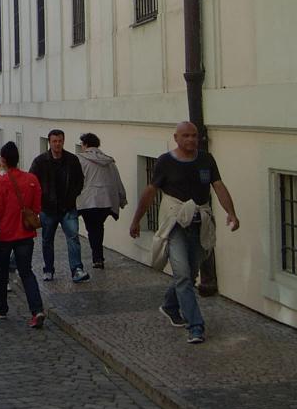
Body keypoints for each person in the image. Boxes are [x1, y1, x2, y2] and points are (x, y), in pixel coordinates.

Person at [129, 121, 239, 345]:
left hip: (199, 223)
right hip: (175, 225)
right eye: (186, 136)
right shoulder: (165, 161)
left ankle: (170, 305)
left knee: (190, 273)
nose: (191, 139)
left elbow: (218, 186)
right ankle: (196, 326)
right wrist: (136, 220)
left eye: (194, 135)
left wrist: (231, 213)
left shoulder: (206, 159)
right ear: (176, 138)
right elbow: (151, 191)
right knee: (182, 275)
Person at [0, 141, 46, 328]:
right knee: (26, 272)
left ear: (3, 160)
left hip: (4, 234)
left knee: (1, 272)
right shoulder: (32, 179)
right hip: (25, 233)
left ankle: (1, 309)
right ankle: (37, 310)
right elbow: (37, 207)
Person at [30, 129, 88, 282]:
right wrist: (40, 201)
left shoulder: (72, 160)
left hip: (68, 207)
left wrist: (72, 196)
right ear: (49, 142)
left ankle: (77, 269)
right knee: (47, 240)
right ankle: (48, 269)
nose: (57, 144)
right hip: (48, 208)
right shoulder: (40, 162)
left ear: (63, 141)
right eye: (54, 141)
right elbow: (32, 182)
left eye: (60, 141)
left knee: (73, 238)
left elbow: (80, 181)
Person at [76, 133, 127, 269]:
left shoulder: (80, 160)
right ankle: (98, 257)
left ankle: (97, 258)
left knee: (92, 229)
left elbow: (76, 181)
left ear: (85, 144)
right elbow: (117, 181)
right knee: (98, 227)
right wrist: (122, 199)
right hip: (106, 201)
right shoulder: (109, 162)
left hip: (87, 201)